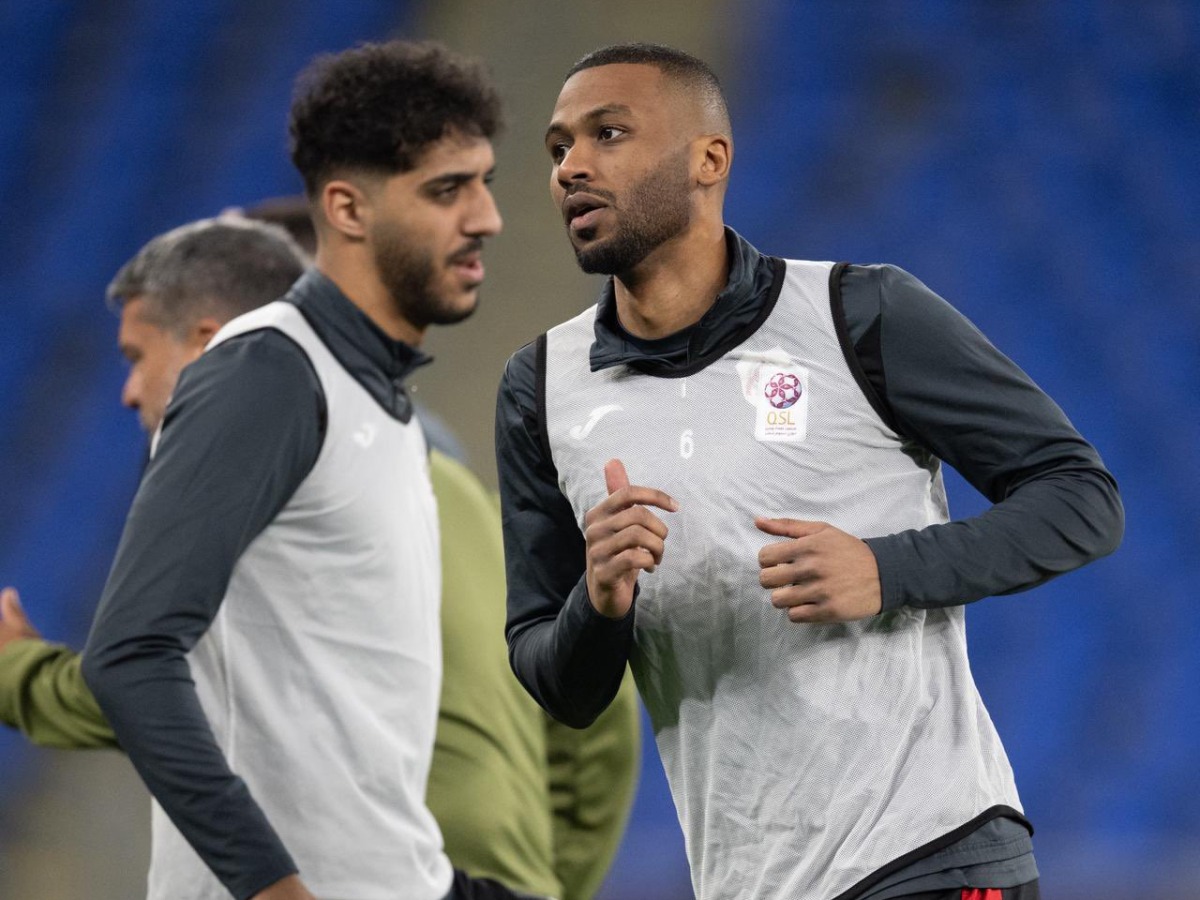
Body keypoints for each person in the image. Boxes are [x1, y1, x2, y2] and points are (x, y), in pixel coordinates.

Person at [495, 43, 1125, 900]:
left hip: (928, 851)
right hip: (748, 878)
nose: (572, 167)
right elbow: (553, 680)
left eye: (608, 133)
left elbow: (1081, 498)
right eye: (558, 147)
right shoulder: (542, 386)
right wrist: (598, 604)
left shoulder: (857, 314)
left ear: (707, 159)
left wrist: (886, 569)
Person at [0, 208, 638, 898]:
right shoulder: (474, 502)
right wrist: (541, 881)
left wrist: (18, 673)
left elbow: (167, 682)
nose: (126, 390)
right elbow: (600, 717)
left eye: (135, 358)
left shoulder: (271, 491)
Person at [76, 40, 527, 900]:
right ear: (347, 209)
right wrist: (270, 887)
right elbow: (129, 654)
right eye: (446, 190)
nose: (486, 219)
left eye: (483, 182)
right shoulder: (268, 373)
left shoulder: (386, 404)